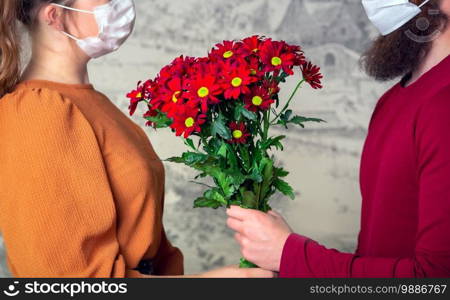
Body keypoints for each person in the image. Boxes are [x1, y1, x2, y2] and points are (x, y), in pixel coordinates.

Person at [0, 0, 273, 278]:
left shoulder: (92, 103)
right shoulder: (38, 111)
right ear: (55, 16)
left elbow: (150, 244)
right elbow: (67, 281)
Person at [227, 0, 450, 278]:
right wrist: (283, 250)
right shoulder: (392, 101)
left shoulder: (444, 106)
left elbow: (435, 279)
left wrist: (290, 254)